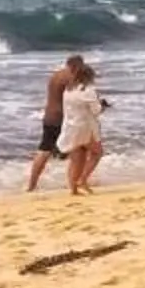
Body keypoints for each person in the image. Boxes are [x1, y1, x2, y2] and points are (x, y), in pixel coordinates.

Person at [27, 56, 84, 193]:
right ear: (76, 66)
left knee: (44, 151)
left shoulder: (56, 75)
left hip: (49, 117)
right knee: (78, 152)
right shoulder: (71, 78)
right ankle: (74, 186)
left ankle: (31, 185)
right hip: (62, 119)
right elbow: (75, 100)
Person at [58, 53, 106, 194]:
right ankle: (82, 180)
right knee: (97, 153)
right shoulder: (89, 91)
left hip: (71, 127)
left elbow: (67, 110)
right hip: (86, 128)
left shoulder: (68, 90)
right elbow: (96, 111)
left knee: (76, 159)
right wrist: (103, 106)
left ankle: (73, 189)